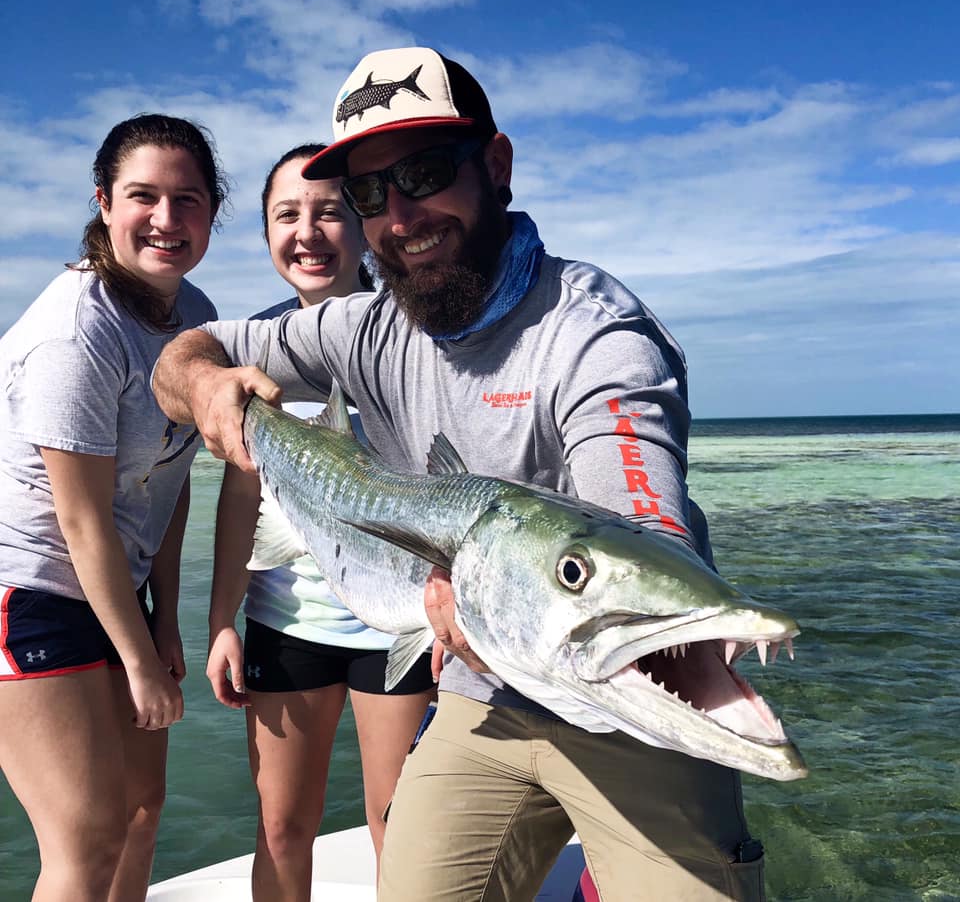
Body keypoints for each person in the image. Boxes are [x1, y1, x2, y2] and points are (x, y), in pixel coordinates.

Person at [152, 47, 766, 901]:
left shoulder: (594, 335)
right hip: (484, 697)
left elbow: (637, 523)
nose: (400, 215)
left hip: (632, 701)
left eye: (426, 172)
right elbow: (186, 353)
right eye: (370, 193)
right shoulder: (361, 329)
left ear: (497, 165)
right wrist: (206, 387)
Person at [0, 113, 226, 901]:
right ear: (103, 202)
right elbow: (82, 520)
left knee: (140, 810)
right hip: (30, 591)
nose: (166, 218)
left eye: (188, 199)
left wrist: (162, 624)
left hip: (115, 588)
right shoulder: (75, 332)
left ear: (212, 212)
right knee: (88, 835)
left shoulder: (194, 316)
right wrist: (137, 661)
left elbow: (168, 479)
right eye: (143, 196)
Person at [205, 143, 435, 900]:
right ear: (267, 233)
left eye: (330, 211)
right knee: (280, 827)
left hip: (397, 626)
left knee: (397, 824)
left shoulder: (411, 338)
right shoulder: (252, 354)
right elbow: (241, 498)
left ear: (363, 221)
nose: (308, 232)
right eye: (287, 215)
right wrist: (221, 621)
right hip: (286, 621)